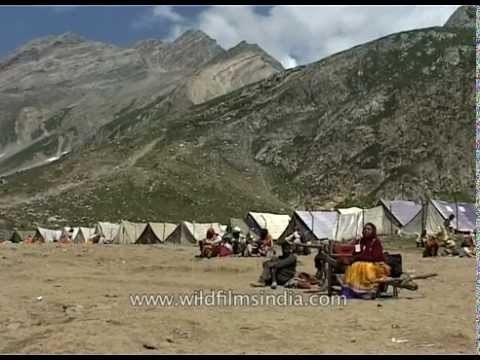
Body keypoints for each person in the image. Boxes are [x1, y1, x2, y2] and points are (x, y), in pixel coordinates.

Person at [341, 223, 391, 299]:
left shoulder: (376, 242)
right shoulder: (360, 241)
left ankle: (368, 291)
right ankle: (352, 291)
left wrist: (359, 258)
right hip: (360, 263)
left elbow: (375, 256)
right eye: (365, 229)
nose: (366, 231)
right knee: (352, 267)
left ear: (373, 231)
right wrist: (356, 257)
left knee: (367, 267)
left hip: (376, 264)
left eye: (368, 229)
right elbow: (356, 253)